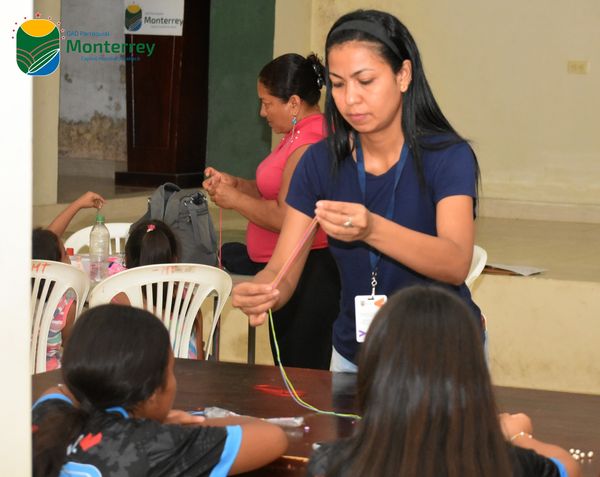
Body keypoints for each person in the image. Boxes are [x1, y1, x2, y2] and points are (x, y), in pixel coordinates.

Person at [232, 10, 481, 372]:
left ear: (403, 75)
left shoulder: (448, 156)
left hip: (439, 355)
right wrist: (263, 291)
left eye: (365, 81)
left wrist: (372, 229)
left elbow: (455, 263)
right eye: (338, 84)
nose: (350, 99)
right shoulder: (320, 162)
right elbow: (281, 271)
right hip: (354, 356)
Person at [306, 286, 580, 477]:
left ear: (376, 373)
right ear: (471, 376)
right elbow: (566, 466)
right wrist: (518, 435)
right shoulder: (508, 465)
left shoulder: (330, 464)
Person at [32, 304, 287, 477]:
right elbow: (273, 437)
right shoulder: (153, 444)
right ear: (153, 393)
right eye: (171, 371)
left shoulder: (47, 416)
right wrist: (169, 425)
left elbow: (59, 390)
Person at [203, 53, 340, 370]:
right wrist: (237, 185)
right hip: (289, 270)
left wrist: (235, 200)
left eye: (267, 103)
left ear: (293, 103)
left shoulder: (309, 144)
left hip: (308, 274)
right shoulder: (295, 135)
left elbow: (286, 216)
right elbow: (274, 190)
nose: (262, 112)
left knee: (301, 370)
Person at [32, 191, 106, 370]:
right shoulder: (65, 305)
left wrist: (78, 203)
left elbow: (43, 246)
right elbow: (70, 345)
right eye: (66, 254)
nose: (69, 259)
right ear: (56, 265)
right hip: (47, 375)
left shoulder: (15, 286)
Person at [115, 219, 204, 359]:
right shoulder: (188, 299)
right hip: (185, 372)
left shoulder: (117, 299)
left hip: (136, 373)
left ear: (127, 260)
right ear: (174, 260)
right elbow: (199, 360)